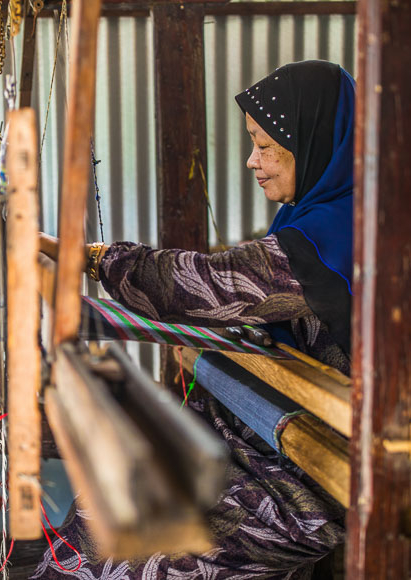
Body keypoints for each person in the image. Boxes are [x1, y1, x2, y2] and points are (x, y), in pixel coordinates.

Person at [34, 60, 354, 578]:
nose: (252, 161)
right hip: (259, 437)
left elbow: (212, 286)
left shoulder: (339, 234)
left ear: (314, 140)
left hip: (300, 478)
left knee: (137, 551)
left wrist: (87, 257)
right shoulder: (310, 217)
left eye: (265, 144)